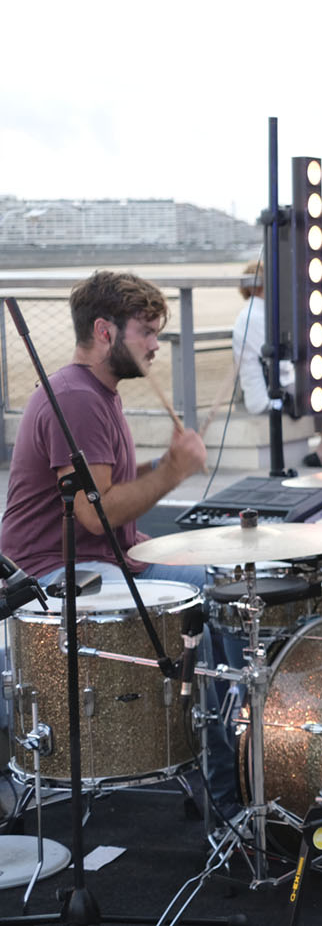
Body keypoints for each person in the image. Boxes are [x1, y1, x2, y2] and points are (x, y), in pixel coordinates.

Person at [0, 270, 238, 811]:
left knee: (222, 577)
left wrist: (164, 462)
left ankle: (220, 758)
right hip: (54, 575)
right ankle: (226, 787)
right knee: (210, 602)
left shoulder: (98, 395)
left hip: (99, 561)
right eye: (146, 332)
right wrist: (173, 472)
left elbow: (107, 489)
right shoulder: (76, 399)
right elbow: (94, 513)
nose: (155, 345)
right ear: (105, 331)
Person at [231, 259, 295, 415]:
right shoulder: (254, 317)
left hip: (277, 387)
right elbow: (282, 363)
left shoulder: (255, 314)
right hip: (267, 396)